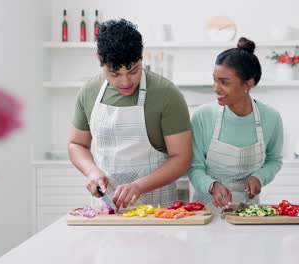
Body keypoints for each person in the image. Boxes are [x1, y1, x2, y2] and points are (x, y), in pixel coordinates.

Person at [68, 19, 192, 210]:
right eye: (114, 73)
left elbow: (181, 159)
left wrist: (138, 186)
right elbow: (76, 144)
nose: (125, 81)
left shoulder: (166, 93)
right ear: (99, 58)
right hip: (106, 210)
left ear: (142, 53)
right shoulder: (89, 91)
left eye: (133, 70)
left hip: (156, 210)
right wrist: (91, 171)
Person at [188, 37, 283, 212]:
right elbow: (194, 167)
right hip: (205, 209)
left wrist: (259, 178)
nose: (216, 88)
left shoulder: (271, 117)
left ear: (249, 83)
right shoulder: (203, 116)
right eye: (215, 80)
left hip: (249, 210)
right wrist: (213, 186)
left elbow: (274, 160)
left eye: (224, 82)